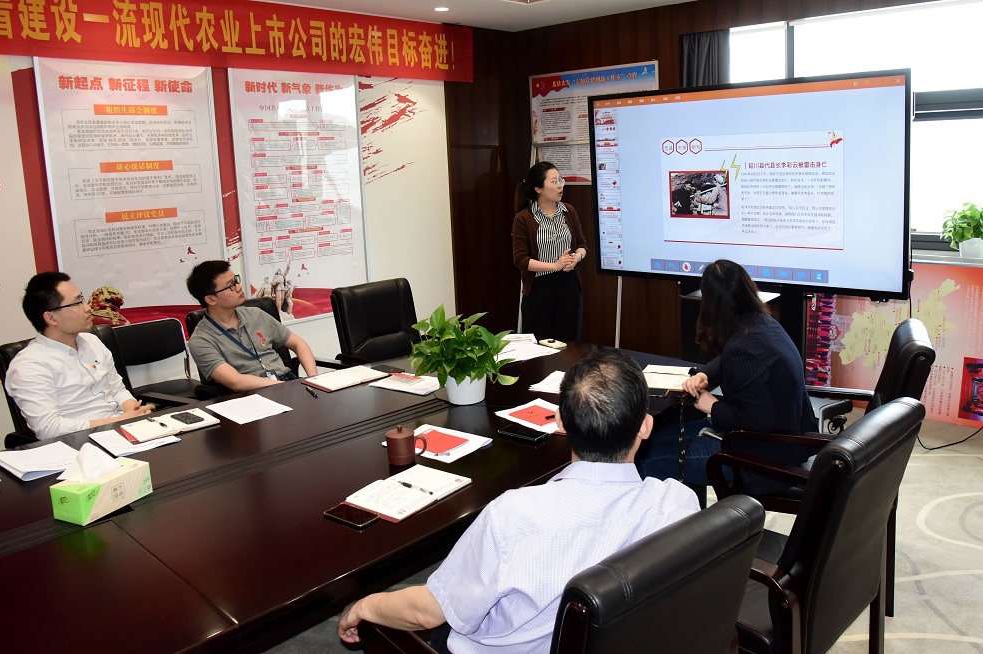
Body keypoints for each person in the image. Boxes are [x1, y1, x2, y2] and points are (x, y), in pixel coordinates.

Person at [338, 349, 700, 653]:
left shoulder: (511, 516)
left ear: (559, 422)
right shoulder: (679, 504)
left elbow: (429, 612)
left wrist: (364, 605)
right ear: (645, 427)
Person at [636, 259, 818, 497]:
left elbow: (759, 421)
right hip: (790, 442)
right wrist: (705, 373)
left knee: (647, 457)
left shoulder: (742, 347)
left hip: (761, 458)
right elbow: (731, 358)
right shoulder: (762, 322)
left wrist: (713, 406)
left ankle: (677, 519)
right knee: (655, 439)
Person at [4, 272, 153, 440]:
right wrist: (120, 421)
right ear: (51, 318)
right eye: (77, 303)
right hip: (80, 442)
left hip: (122, 430)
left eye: (82, 299)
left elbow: (117, 389)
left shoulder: (92, 342)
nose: (87, 307)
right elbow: (49, 429)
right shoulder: (29, 365)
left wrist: (134, 410)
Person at [185, 260, 318, 391]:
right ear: (211, 299)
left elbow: (298, 343)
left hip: (286, 382)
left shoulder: (256, 314)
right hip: (253, 394)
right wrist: (285, 387)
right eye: (231, 285)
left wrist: (314, 380)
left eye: (236, 281)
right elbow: (235, 381)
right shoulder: (200, 341)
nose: (239, 287)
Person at [512, 161, 588, 342]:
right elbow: (520, 259)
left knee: (569, 344)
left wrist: (576, 257)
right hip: (539, 289)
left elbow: (582, 245)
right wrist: (554, 266)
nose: (560, 186)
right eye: (554, 182)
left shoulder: (568, 211)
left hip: (569, 287)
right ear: (538, 189)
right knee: (540, 345)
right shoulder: (524, 218)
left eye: (560, 180)